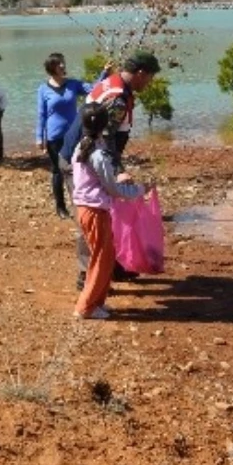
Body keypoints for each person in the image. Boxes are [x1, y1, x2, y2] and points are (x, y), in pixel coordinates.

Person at [59, 50, 161, 286]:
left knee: (108, 213)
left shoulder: (114, 83)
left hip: (88, 157)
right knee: (91, 214)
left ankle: (112, 266)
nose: (150, 82)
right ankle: (87, 276)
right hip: (83, 161)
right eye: (150, 77)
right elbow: (106, 137)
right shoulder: (117, 97)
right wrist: (118, 170)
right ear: (140, 73)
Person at [72, 104, 149, 320]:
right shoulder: (96, 153)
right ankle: (85, 307)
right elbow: (113, 189)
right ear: (104, 125)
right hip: (95, 211)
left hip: (86, 209)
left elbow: (99, 180)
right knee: (102, 259)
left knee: (103, 257)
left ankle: (96, 303)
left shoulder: (83, 147)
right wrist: (141, 189)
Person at [35, 53, 90, 219]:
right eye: (60, 64)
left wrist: (105, 74)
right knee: (58, 171)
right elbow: (41, 114)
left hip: (74, 134)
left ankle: (80, 203)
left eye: (63, 63)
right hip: (54, 137)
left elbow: (94, 88)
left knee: (78, 168)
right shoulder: (43, 89)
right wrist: (39, 137)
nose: (63, 66)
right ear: (52, 67)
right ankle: (61, 207)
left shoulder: (73, 84)